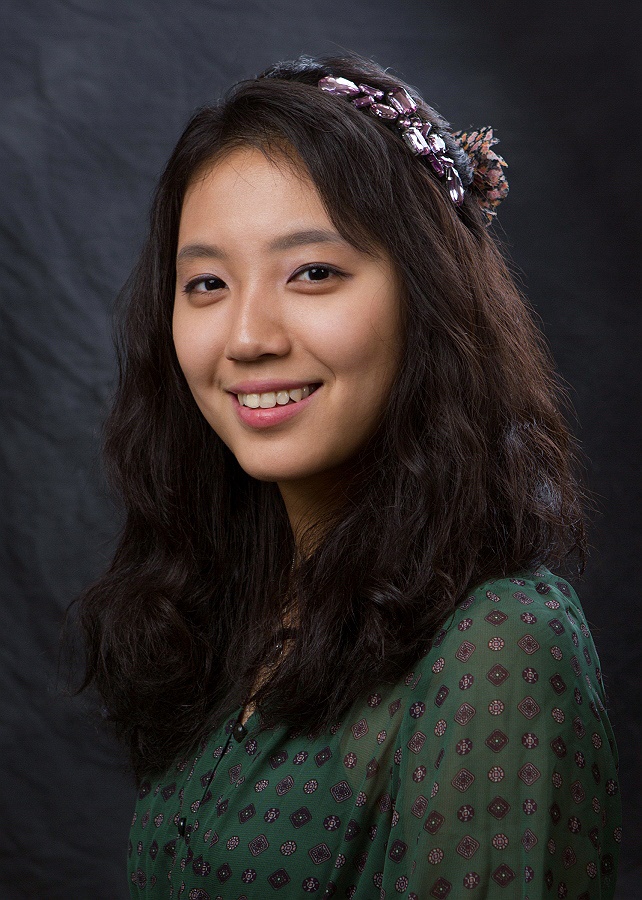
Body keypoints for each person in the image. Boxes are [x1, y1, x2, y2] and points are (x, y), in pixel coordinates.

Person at [74, 52, 621, 898]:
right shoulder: (242, 601)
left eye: (314, 273)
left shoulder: (499, 645)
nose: (247, 336)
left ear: (429, 300)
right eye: (207, 282)